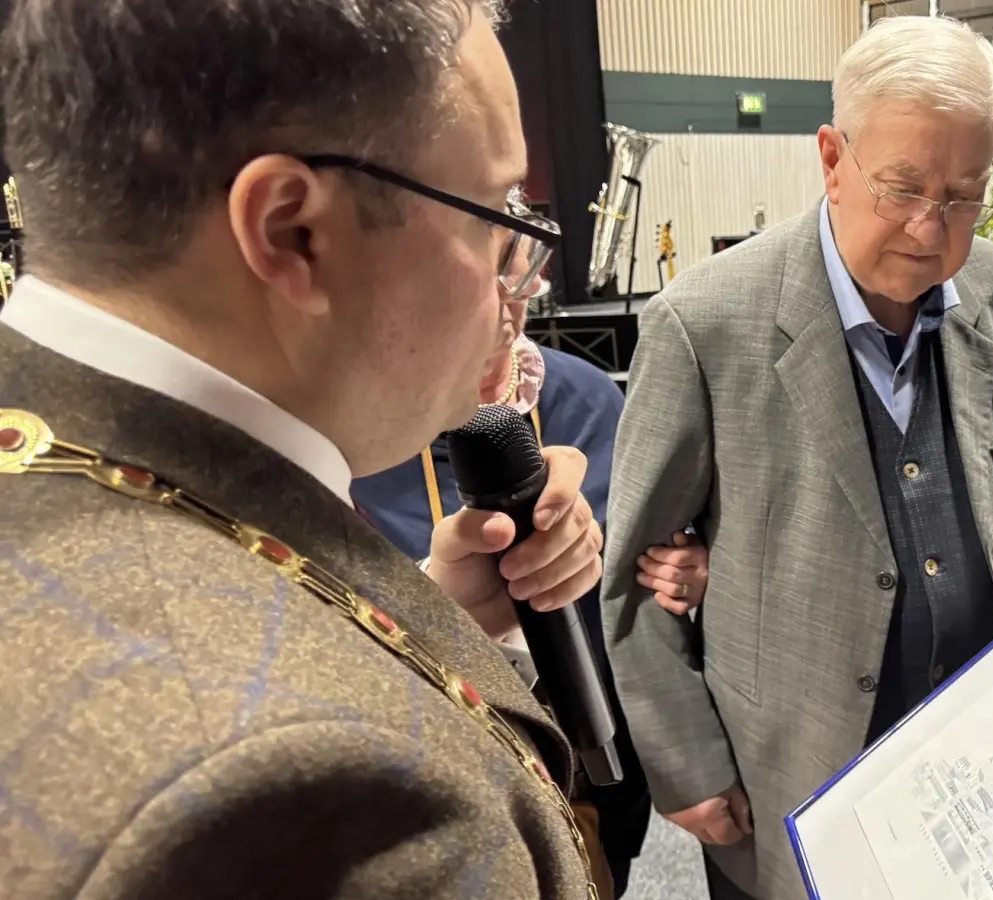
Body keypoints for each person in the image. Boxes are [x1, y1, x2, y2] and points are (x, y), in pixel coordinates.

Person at [0, 1, 608, 897]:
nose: (510, 267)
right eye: (490, 211)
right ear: (294, 233)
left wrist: (430, 616)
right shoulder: (338, 792)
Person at [601, 15, 993, 900]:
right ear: (831, 158)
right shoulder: (703, 325)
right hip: (790, 777)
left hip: (981, 767)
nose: (931, 231)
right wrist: (686, 765)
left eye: (964, 195)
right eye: (902, 188)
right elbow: (632, 577)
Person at [351, 282, 711, 896]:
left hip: (603, 747)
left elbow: (651, 566)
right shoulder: (356, 435)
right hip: (450, 771)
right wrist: (442, 608)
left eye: (513, 269)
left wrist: (696, 566)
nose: (496, 306)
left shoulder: (593, 397)